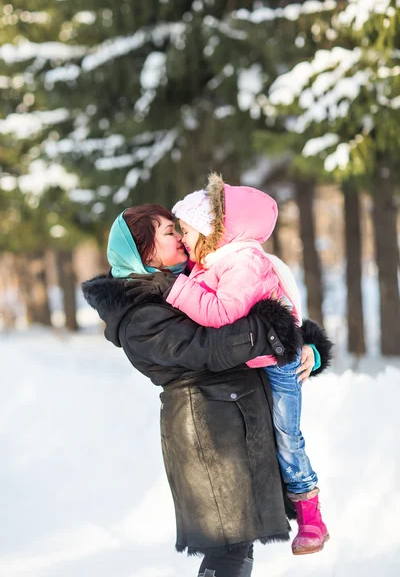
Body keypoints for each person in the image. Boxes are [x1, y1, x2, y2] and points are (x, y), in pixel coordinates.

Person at [82, 203, 331, 576]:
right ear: (144, 250)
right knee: (229, 549)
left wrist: (304, 347)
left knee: (239, 548)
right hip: (209, 436)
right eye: (168, 232)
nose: (181, 237)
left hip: (237, 424)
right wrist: (273, 332)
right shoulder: (139, 314)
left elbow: (251, 309)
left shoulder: (193, 281)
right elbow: (210, 347)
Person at [155, 174, 332, 556]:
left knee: (287, 435)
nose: (182, 239)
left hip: (279, 363)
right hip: (250, 365)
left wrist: (312, 348)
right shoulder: (210, 264)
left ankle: (311, 515)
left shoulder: (243, 262)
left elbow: (221, 311)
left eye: (184, 229)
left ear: (208, 231)